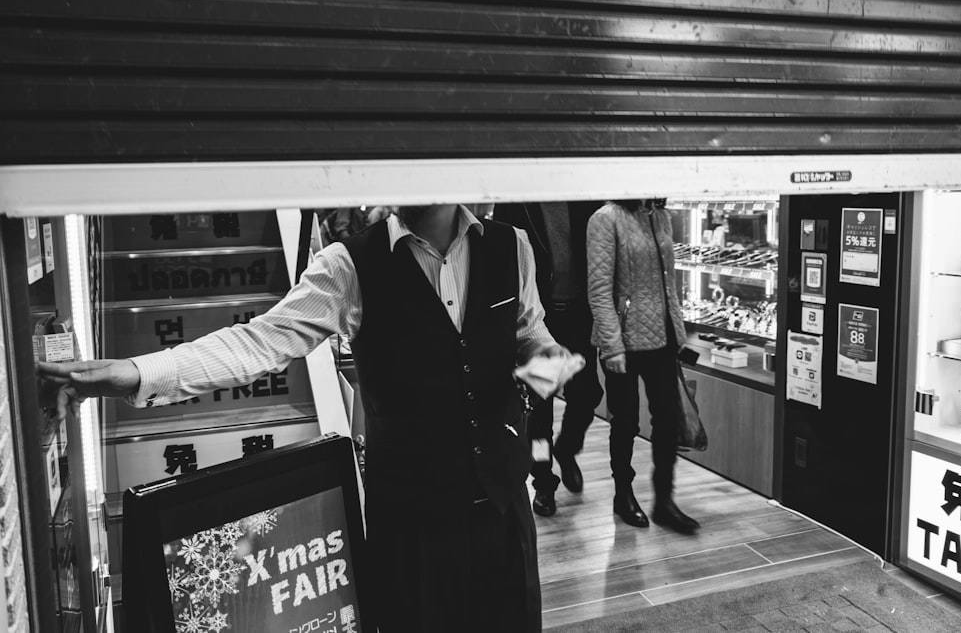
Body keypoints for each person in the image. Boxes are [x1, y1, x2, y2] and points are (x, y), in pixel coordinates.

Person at [39, 204, 572, 632]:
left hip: (504, 510)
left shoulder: (511, 246)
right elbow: (260, 342)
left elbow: (528, 330)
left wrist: (545, 362)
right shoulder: (350, 265)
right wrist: (134, 372)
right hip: (414, 525)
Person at [586, 200, 699, 533]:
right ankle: (623, 495)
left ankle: (665, 500)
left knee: (667, 419)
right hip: (624, 340)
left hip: (662, 337)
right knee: (625, 421)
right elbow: (599, 290)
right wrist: (612, 345)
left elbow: (669, 284)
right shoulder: (605, 218)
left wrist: (677, 330)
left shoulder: (660, 216)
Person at [492, 202, 604, 517]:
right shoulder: (517, 201)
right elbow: (501, 255)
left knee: (588, 395)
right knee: (540, 415)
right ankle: (543, 479)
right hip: (539, 319)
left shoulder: (583, 200)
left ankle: (567, 449)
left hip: (580, 315)